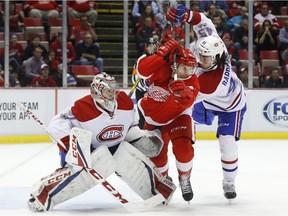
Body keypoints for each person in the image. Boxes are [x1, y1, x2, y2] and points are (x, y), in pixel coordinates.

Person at [27, 72, 176, 212]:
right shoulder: (82, 107)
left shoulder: (125, 103)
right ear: (97, 91)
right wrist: (73, 146)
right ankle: (42, 194)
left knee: (125, 156)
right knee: (98, 164)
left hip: (115, 146)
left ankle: (157, 190)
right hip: (88, 152)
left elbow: (130, 126)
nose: (112, 95)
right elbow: (57, 122)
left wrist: (139, 137)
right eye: (108, 91)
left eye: (113, 91)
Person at [166, 4, 247, 201]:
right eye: (200, 54)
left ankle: (229, 181)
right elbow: (203, 21)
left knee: (227, 143)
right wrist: (185, 15)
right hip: (207, 102)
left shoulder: (212, 82)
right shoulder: (213, 43)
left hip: (231, 105)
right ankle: (184, 167)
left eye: (205, 57)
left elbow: (186, 98)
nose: (200, 58)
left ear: (217, 58)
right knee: (185, 126)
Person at [136, 40, 200, 202]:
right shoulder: (162, 68)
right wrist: (160, 55)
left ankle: (184, 178)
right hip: (154, 118)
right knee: (157, 156)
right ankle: (162, 181)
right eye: (184, 68)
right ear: (174, 66)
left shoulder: (191, 80)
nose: (188, 72)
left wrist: (184, 92)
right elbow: (142, 70)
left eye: (191, 68)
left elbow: (189, 101)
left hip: (178, 116)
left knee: (184, 149)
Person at [131, 37, 157, 129]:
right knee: (142, 117)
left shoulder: (161, 59)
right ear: (146, 47)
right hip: (141, 92)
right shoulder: (141, 60)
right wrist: (144, 89)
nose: (152, 48)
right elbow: (135, 78)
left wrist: (150, 91)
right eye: (150, 46)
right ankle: (142, 138)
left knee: (155, 116)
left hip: (156, 93)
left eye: (154, 45)